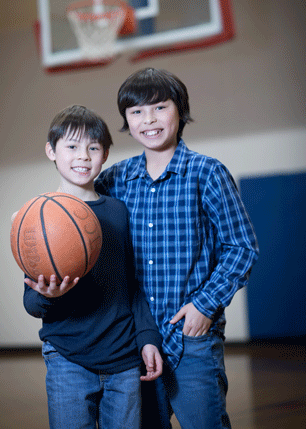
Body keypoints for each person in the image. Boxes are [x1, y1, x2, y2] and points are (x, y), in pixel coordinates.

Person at [95, 68, 259, 429]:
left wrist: (205, 305)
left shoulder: (207, 174)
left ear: (179, 111)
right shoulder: (113, 180)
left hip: (192, 338)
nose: (148, 120)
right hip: (134, 340)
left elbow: (241, 247)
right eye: (136, 112)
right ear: (126, 120)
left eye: (159, 107)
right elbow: (81, 232)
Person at [21, 105, 163, 429]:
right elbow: (31, 302)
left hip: (124, 358)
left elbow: (131, 284)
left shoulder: (117, 211)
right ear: (51, 151)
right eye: (71, 146)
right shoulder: (41, 217)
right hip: (68, 358)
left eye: (93, 147)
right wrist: (48, 294)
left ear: (105, 154)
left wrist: (148, 337)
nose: (83, 156)